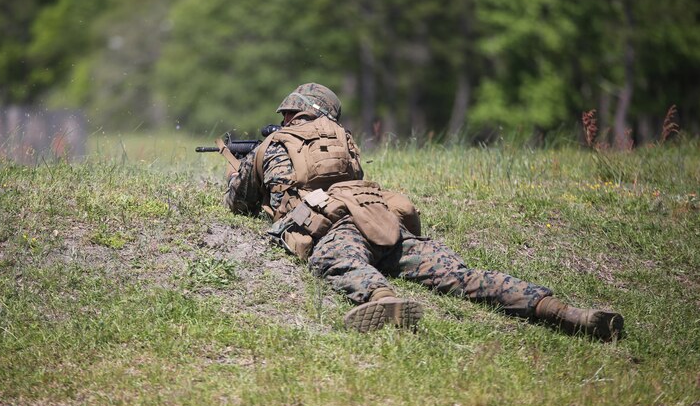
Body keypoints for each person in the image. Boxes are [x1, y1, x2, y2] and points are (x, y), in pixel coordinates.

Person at [222, 82, 624, 340]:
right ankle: (563, 311)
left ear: (291, 113)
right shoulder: (342, 139)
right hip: (382, 220)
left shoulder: (274, 145)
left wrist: (246, 162)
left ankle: (382, 298)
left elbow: (237, 202)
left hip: (336, 227)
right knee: (461, 275)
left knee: (337, 260)